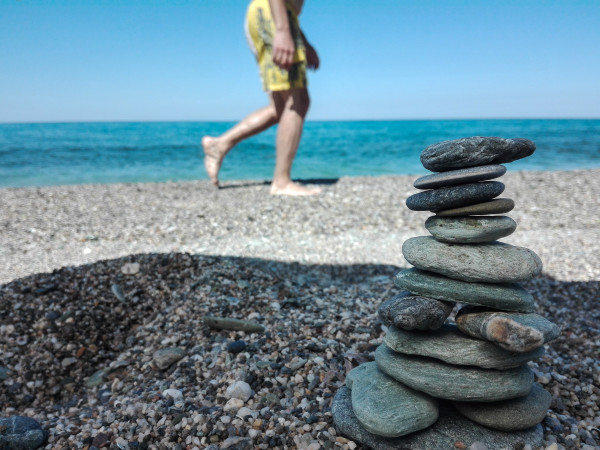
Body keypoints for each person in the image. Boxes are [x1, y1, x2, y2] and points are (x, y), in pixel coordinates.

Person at [202, 0, 322, 195]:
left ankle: (219, 145)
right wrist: (283, 30)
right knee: (298, 99)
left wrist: (302, 41)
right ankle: (281, 182)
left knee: (281, 108)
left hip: (273, 15)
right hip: (274, 15)